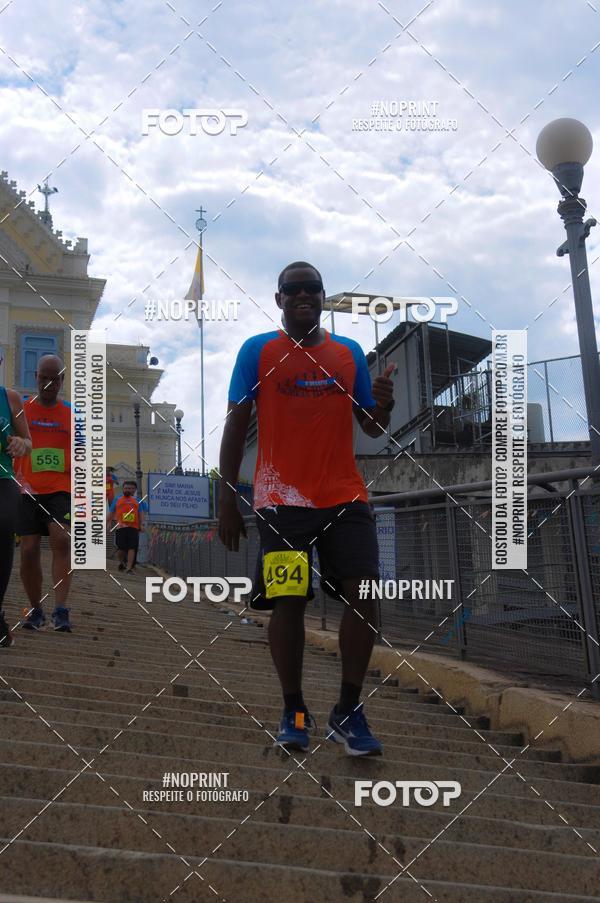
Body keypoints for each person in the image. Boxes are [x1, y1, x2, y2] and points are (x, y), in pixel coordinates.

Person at [218, 261, 395, 757]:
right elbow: (236, 425)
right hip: (279, 499)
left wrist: (385, 402)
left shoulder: (348, 354)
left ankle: (349, 710)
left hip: (344, 495)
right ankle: (294, 709)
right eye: (291, 289)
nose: (302, 295)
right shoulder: (258, 351)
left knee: (364, 594)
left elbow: (372, 427)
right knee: (290, 600)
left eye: (311, 288)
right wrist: (226, 495)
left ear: (322, 295)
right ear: (278, 300)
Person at [16, 354, 73, 632]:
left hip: (61, 489)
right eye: (44, 377)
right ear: (36, 377)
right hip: (27, 489)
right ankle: (36, 609)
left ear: (62, 380)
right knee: (28, 550)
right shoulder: (22, 410)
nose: (49, 383)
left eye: (55, 378)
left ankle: (61, 609)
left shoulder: (72, 415)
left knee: (61, 539)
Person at [0, 375, 32, 647]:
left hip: (3, 480)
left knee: (4, 525)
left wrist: (22, 444)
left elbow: (28, 440)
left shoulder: (10, 398)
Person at [107, 480, 146, 574]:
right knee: (121, 548)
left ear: (135, 490)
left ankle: (129, 568)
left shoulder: (137, 501)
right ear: (123, 489)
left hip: (133, 528)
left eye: (131, 488)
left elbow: (141, 514)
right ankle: (121, 562)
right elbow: (111, 511)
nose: (129, 490)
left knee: (132, 547)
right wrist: (107, 522)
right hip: (121, 527)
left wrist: (142, 524)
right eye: (127, 488)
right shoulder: (118, 499)